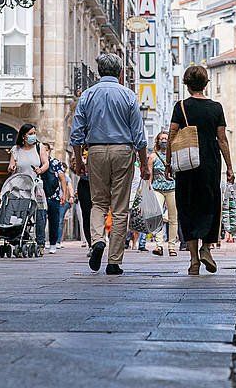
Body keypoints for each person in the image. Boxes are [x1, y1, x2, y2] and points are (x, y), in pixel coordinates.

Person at [69, 53, 151, 276]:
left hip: (95, 150)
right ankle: (114, 261)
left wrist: (78, 160)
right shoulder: (128, 96)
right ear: (120, 72)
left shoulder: (87, 95)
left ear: (99, 72)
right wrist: (144, 164)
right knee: (120, 207)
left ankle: (97, 240)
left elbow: (76, 133)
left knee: (98, 202)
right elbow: (139, 136)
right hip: (123, 151)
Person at [165, 65, 234, 276]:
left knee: (187, 207)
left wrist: (168, 163)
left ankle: (194, 260)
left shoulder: (181, 107)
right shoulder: (216, 107)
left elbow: (171, 135)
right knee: (210, 204)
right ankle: (207, 248)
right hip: (210, 163)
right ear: (205, 84)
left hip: (186, 164)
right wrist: (230, 167)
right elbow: (222, 139)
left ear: (186, 85)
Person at [8, 123, 49, 253]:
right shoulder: (16, 149)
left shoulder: (39, 147)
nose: (33, 136)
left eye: (34, 133)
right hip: (20, 187)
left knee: (40, 214)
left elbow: (46, 162)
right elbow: (12, 164)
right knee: (20, 214)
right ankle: (21, 239)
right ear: (23, 136)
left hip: (36, 185)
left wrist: (40, 170)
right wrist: (11, 168)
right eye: (30, 134)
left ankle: (41, 243)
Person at [43, 142, 71, 253]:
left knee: (54, 220)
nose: (44, 152)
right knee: (40, 219)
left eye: (46, 150)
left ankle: (53, 243)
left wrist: (64, 194)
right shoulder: (37, 162)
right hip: (40, 195)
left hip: (53, 196)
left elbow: (62, 178)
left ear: (49, 151)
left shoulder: (55, 163)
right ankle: (40, 241)